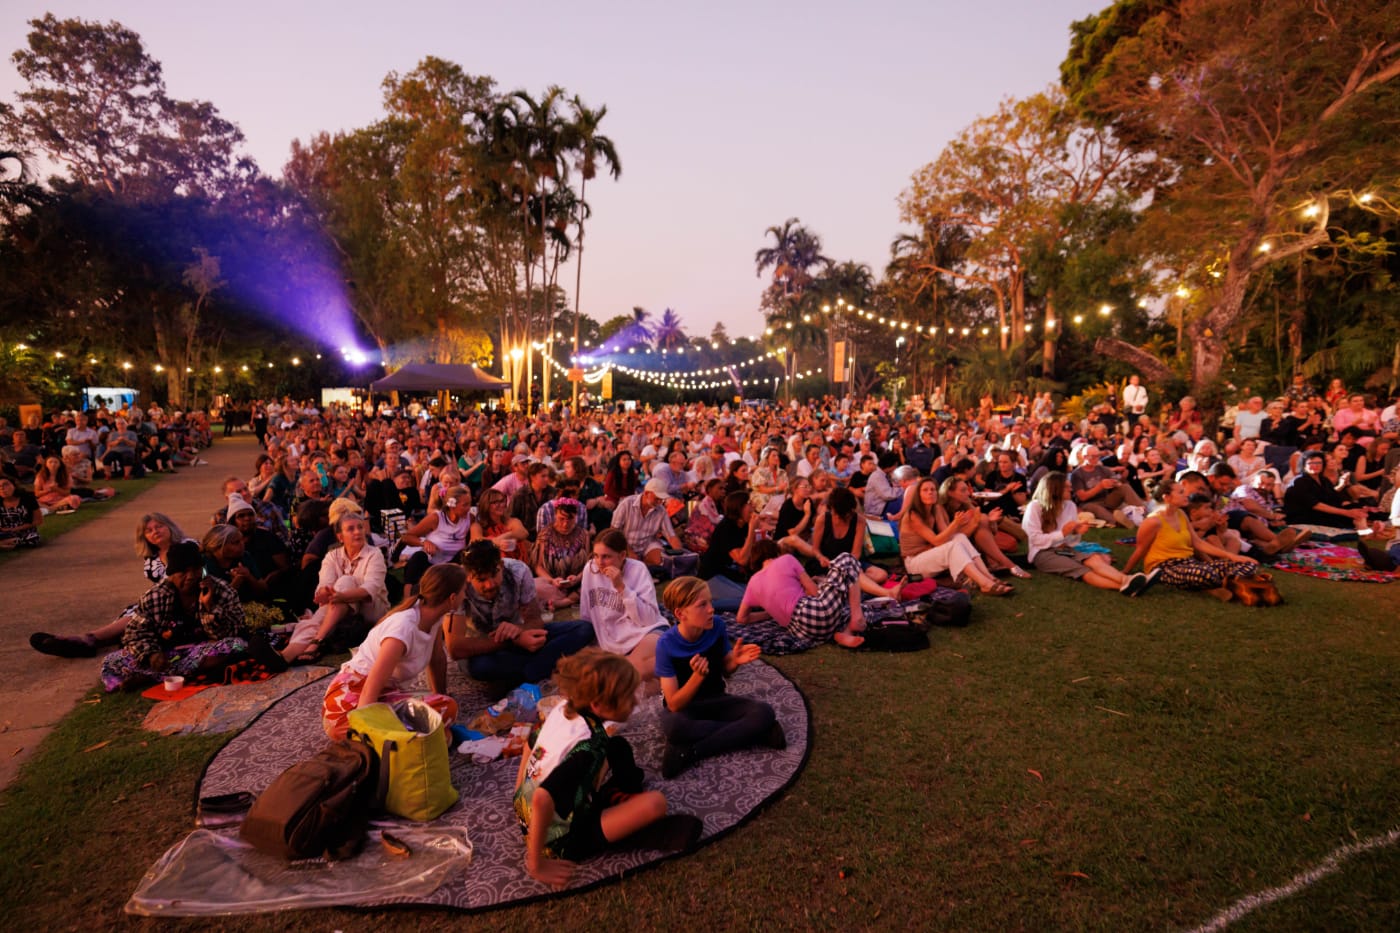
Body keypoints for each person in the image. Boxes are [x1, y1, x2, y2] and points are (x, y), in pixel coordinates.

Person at [514, 649, 700, 888]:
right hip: (558, 836)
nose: (635, 701)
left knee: (617, 746)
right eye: (628, 697)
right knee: (656, 804)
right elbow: (542, 798)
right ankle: (627, 828)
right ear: (598, 704)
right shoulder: (587, 750)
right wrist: (536, 864)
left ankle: (616, 800)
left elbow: (529, 744)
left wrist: (519, 791)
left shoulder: (563, 708)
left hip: (527, 810)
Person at [654, 576, 785, 780]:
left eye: (710, 602)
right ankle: (757, 734)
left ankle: (692, 751)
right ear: (680, 614)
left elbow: (726, 670)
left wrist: (734, 661)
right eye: (702, 605)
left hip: (716, 700)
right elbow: (674, 704)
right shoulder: (666, 645)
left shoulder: (717, 626)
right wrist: (697, 677)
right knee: (675, 728)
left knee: (763, 712)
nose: (711, 609)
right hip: (686, 710)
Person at [320, 562, 460, 742]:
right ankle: (384, 743)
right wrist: (366, 730)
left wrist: (440, 695)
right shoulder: (402, 628)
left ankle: (410, 740)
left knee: (445, 706)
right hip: (349, 704)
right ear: (453, 598)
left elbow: (437, 659)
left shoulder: (433, 618)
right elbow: (370, 688)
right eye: (464, 591)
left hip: (383, 696)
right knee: (435, 725)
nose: (465, 596)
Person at [30, 512, 189, 657]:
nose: (155, 532)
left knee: (140, 614)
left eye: (159, 526)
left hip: (184, 600)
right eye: (149, 531)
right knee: (135, 617)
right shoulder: (152, 558)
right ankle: (81, 643)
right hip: (161, 601)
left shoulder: (187, 546)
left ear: (170, 526)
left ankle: (87, 639)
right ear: (145, 537)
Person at [443, 540, 594, 691]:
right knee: (481, 667)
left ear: (501, 566)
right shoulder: (456, 584)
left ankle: (525, 672)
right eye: (481, 580)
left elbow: (535, 621)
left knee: (583, 628)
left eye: (494, 575)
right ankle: (538, 668)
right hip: (482, 648)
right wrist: (513, 640)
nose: (490, 584)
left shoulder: (518, 571)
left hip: (520, 634)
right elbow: (456, 649)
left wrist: (519, 630)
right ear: (468, 576)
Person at [99, 541, 250, 692]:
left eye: (196, 570)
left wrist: (209, 606)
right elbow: (135, 632)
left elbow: (231, 632)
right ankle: (166, 673)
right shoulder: (155, 596)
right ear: (171, 575)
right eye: (183, 572)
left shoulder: (222, 591)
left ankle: (152, 676)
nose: (191, 576)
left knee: (237, 646)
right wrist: (151, 655)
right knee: (111, 660)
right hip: (165, 653)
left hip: (202, 651)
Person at [1124, 478, 1260, 601]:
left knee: (1248, 565)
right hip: (1164, 568)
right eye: (1180, 492)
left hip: (1189, 563)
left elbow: (1197, 542)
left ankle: (1217, 585)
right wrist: (1124, 573)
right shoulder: (1153, 521)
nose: (1186, 495)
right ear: (1167, 497)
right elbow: (1140, 550)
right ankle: (1220, 587)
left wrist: (1232, 557)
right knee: (1206, 574)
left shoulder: (1180, 514)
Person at [282, 513, 389, 664]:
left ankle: (316, 642)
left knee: (345, 581)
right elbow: (324, 586)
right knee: (317, 617)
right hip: (337, 611)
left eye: (360, 527)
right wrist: (325, 593)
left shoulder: (374, 554)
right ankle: (285, 656)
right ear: (340, 537)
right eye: (350, 529)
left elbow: (369, 590)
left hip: (370, 612)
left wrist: (340, 596)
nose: (357, 532)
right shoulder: (332, 556)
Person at [1022, 473, 1153, 594]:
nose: (1071, 489)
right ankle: (1123, 586)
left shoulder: (1070, 506)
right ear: (1054, 489)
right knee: (1082, 570)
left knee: (1093, 559)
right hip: (1042, 553)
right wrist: (1062, 533)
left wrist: (1075, 532)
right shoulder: (1035, 507)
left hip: (1065, 548)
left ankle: (1126, 580)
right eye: (1066, 487)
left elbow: (1072, 543)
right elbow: (1035, 540)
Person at [737, 540, 867, 648]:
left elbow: (741, 618)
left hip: (801, 632)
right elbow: (815, 592)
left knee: (854, 606)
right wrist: (822, 583)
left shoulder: (752, 582)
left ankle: (845, 633)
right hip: (812, 613)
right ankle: (856, 620)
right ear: (776, 551)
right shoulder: (786, 559)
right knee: (847, 559)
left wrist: (768, 614)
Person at [578, 529, 668, 682]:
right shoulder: (590, 569)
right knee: (599, 674)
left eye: (606, 557)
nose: (599, 562)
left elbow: (650, 619)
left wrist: (621, 588)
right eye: (596, 555)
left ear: (622, 555)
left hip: (644, 632)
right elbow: (587, 612)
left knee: (628, 673)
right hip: (612, 642)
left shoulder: (638, 570)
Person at [899, 478, 1012, 596]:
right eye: (925, 490)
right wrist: (956, 524)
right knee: (953, 546)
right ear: (918, 495)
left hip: (927, 554)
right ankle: (984, 584)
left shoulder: (935, 509)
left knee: (959, 537)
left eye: (933, 489)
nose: (930, 492)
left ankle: (989, 577)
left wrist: (960, 524)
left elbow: (947, 534)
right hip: (914, 563)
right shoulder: (913, 515)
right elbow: (936, 541)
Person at [935, 477, 1029, 578]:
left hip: (972, 544)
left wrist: (991, 522)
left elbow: (992, 531)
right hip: (952, 547)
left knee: (984, 519)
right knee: (983, 520)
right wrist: (974, 523)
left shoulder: (966, 504)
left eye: (967, 489)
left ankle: (998, 563)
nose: (968, 493)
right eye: (963, 490)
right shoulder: (940, 508)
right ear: (950, 493)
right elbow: (951, 539)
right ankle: (1006, 564)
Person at [399, 485, 472, 592]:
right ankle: (407, 597)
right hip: (431, 561)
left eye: (469, 504)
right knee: (418, 558)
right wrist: (424, 542)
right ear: (452, 506)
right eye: (465, 505)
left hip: (454, 563)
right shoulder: (436, 518)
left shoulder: (470, 518)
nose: (469, 508)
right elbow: (407, 537)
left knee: (464, 555)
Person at [1283, 450, 1371, 530]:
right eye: (1311, 463)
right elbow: (1315, 505)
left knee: (1357, 508)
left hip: (1323, 512)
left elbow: (1334, 499)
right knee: (1343, 516)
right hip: (1306, 515)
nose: (1316, 466)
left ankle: (1365, 531)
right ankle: (1364, 532)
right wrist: (1346, 512)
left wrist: (1354, 507)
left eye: (1319, 463)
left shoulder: (1324, 480)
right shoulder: (1299, 481)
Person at [610, 477, 684, 567]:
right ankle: (644, 568)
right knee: (633, 562)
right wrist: (628, 550)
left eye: (661, 499)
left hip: (648, 545)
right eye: (657, 498)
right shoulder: (626, 504)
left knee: (662, 559)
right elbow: (614, 531)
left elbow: (671, 536)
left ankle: (646, 568)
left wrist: (680, 555)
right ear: (646, 493)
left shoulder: (661, 510)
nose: (660, 502)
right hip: (626, 544)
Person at [533, 498, 590, 610]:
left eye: (570, 519)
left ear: (576, 517)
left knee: (594, 584)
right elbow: (538, 566)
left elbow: (588, 565)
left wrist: (577, 579)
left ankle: (564, 602)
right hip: (552, 584)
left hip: (577, 584)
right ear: (555, 515)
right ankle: (569, 599)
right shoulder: (545, 534)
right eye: (561, 519)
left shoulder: (584, 535)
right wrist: (552, 580)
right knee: (534, 586)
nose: (565, 524)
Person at [1069, 446, 1146, 528]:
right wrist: (1100, 486)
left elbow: (1117, 481)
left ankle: (1144, 513)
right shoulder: (1077, 474)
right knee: (1099, 510)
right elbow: (1082, 497)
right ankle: (1119, 521)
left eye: (1098, 456)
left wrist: (1116, 482)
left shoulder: (1102, 469)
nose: (1096, 459)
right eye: (1093, 456)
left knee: (1125, 487)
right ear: (1085, 457)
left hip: (1106, 500)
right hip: (1088, 503)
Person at [470, 487, 531, 560]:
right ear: (486, 505)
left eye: (502, 501)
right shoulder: (477, 525)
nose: (501, 505)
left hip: (516, 561)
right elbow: (476, 540)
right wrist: (496, 542)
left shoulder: (511, 521)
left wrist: (505, 536)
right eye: (495, 502)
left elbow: (524, 533)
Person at [0, 475, 41, 549]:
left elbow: (38, 521)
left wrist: (14, 529)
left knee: (33, 538)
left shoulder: (28, 498)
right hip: (4, 533)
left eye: (5, 484)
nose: (2, 488)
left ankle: (6, 543)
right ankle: (9, 543)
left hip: (25, 531)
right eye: (0, 486)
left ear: (14, 486)